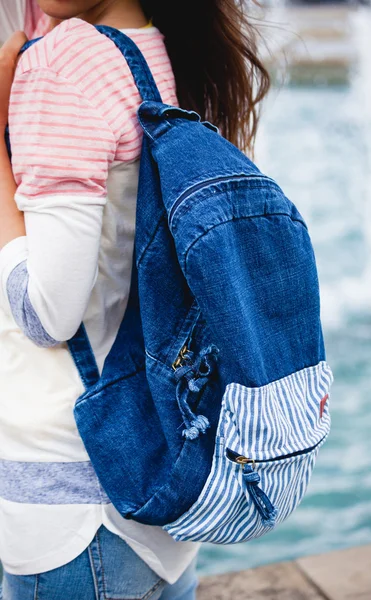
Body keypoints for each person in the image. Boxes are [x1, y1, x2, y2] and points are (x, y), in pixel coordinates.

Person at [0, 1, 269, 598]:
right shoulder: (155, 48)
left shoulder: (63, 65)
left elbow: (47, 313)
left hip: (77, 505)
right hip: (157, 470)